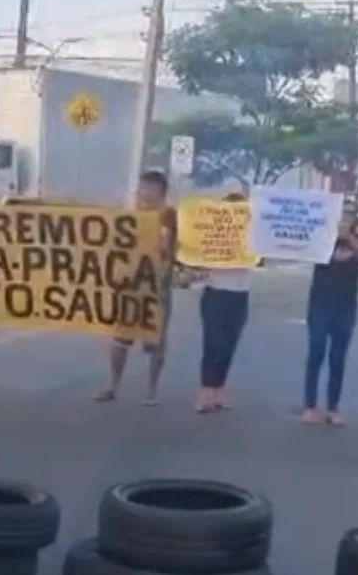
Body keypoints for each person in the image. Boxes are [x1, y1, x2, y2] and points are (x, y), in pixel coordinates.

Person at [94, 169, 176, 406]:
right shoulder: (130, 215)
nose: (144, 194)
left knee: (155, 342)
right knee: (120, 338)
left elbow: (172, 249)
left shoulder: (169, 215)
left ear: (161, 192)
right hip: (130, 287)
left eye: (150, 189)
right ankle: (113, 386)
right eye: (142, 189)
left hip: (156, 287)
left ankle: (151, 391)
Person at [301, 200, 358, 426]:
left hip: (346, 306)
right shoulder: (320, 235)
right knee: (316, 354)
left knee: (338, 359)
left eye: (350, 215)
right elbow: (305, 251)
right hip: (320, 303)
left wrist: (348, 238)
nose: (346, 218)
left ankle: (333, 408)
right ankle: (310, 407)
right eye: (342, 214)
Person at [195, 192, 252, 414]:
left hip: (240, 294)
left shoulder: (251, 237)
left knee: (229, 345)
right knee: (213, 345)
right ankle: (204, 393)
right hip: (216, 291)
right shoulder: (213, 234)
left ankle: (218, 391)